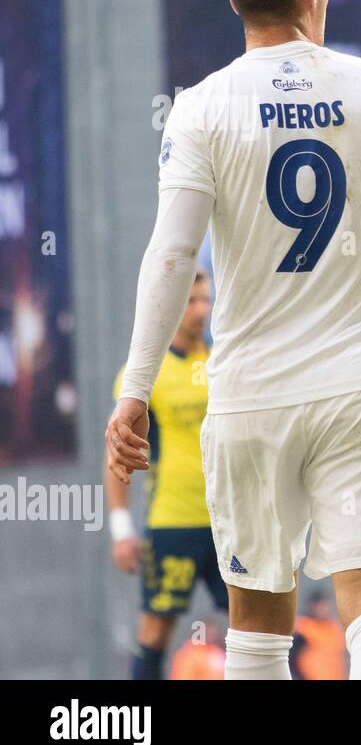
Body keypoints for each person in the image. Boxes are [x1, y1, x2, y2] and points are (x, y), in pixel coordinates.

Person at [103, 0, 361, 680]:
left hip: (250, 397)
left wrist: (134, 388)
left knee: (257, 626)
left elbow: (173, 253)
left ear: (237, 2)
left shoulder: (202, 106)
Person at [107, 269, 224, 679]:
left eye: (205, 300)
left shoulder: (224, 359)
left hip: (231, 524)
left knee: (257, 625)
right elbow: (117, 456)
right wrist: (122, 529)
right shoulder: (145, 374)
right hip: (174, 521)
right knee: (155, 632)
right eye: (191, 302)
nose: (200, 311)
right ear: (170, 306)